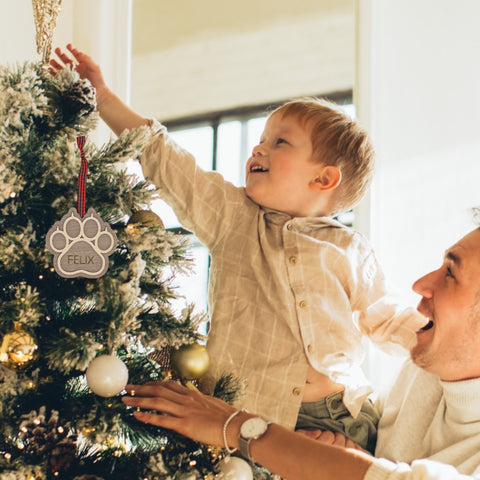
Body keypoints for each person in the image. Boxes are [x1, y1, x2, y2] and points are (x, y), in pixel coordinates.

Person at [50, 45, 426, 453]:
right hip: (244, 411)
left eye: (279, 142)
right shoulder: (234, 218)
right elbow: (167, 160)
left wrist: (443, 341)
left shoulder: (348, 248)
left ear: (324, 179)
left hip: (338, 416)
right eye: (260, 139)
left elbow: (386, 318)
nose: (257, 149)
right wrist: (103, 96)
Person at [122, 223, 480, 480]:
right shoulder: (427, 368)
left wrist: (236, 426)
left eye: (450, 273)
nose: (421, 285)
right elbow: (383, 466)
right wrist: (352, 455)